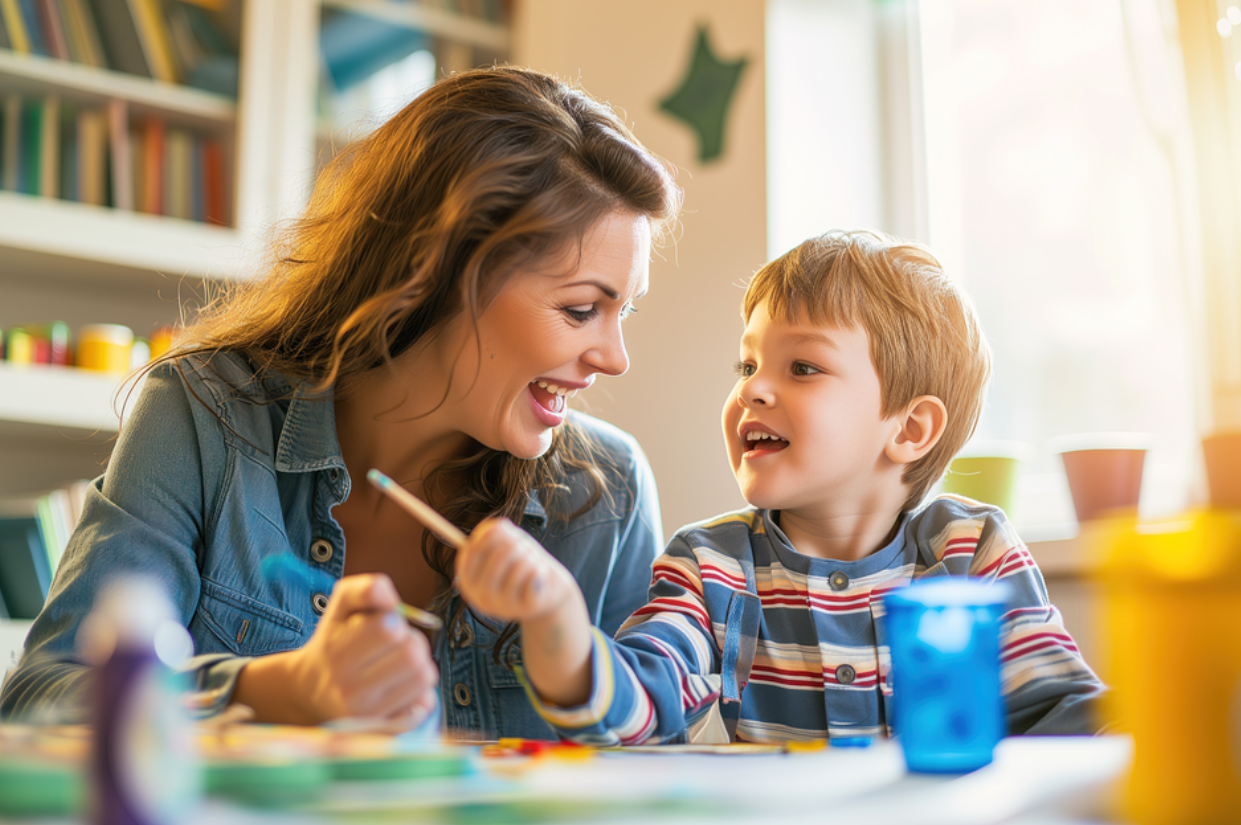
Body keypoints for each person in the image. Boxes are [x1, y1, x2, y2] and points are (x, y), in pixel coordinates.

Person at [1, 66, 681, 740]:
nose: (613, 358)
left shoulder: (605, 493)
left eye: (625, 312)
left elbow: (656, 771)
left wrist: (574, 658)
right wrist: (283, 690)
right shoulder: (204, 416)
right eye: (581, 308)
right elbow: (43, 699)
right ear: (438, 271)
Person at [455, 229, 1105, 744]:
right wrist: (558, 630)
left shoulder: (972, 551)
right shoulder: (710, 565)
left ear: (909, 428)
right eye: (746, 363)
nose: (752, 388)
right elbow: (642, 706)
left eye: (801, 366)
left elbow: (1065, 713)